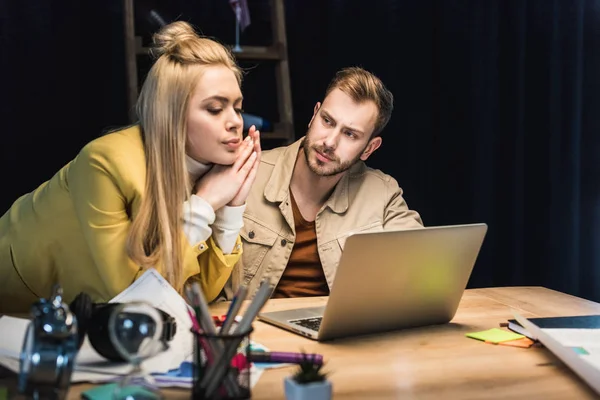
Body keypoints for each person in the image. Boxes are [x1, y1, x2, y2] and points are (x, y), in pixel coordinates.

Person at [0, 21, 261, 313]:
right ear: (171, 115)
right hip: (14, 308)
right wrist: (205, 203)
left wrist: (230, 209)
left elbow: (195, 293)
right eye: (215, 108)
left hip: (80, 319)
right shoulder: (105, 163)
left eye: (237, 107)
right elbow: (136, 300)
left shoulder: (208, 170)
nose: (236, 121)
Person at [224, 67, 422, 300]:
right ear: (314, 115)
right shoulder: (245, 174)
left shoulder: (383, 195)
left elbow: (420, 273)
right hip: (253, 331)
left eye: (350, 134)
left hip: (338, 333)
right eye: (327, 121)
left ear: (369, 148)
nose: (329, 142)